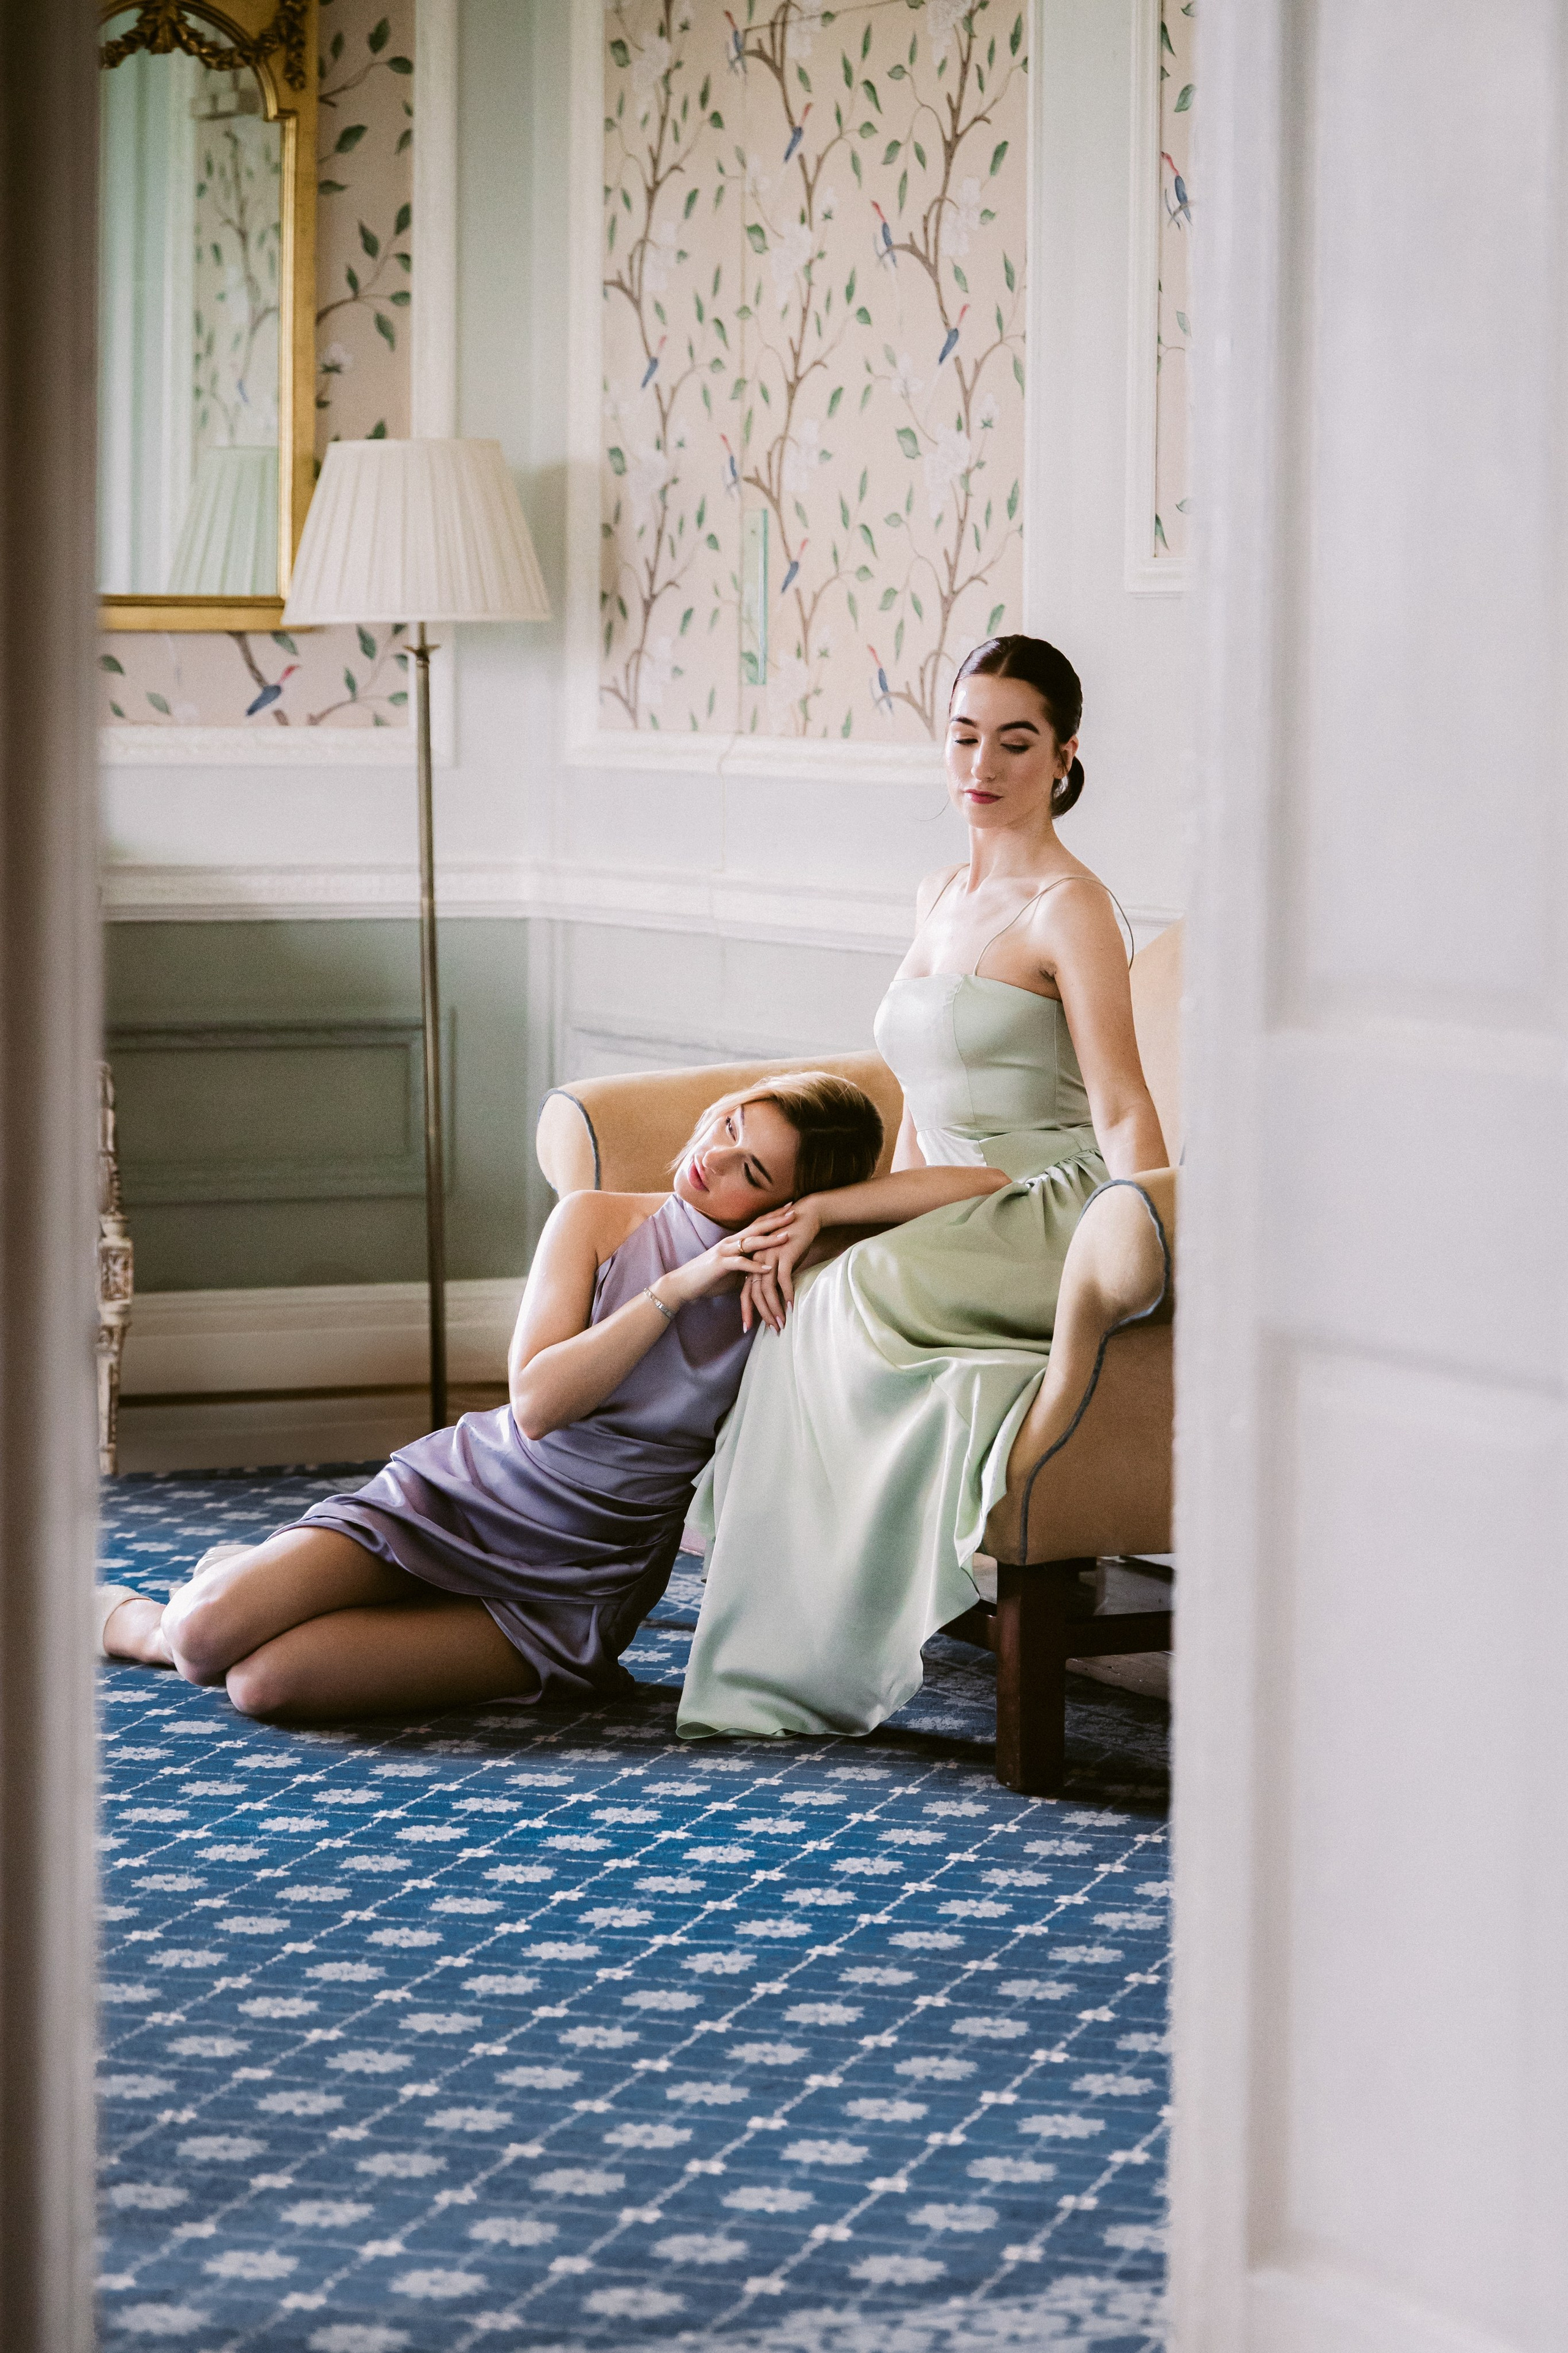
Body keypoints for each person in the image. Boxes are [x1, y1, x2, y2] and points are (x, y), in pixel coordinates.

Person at [95, 1071, 1005, 1722]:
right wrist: (676, 1288)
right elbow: (536, 1406)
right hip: (461, 1495)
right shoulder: (597, 1218)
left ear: (785, 1205)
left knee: (265, 1686)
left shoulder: (797, 1271)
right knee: (202, 1637)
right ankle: (139, 1617)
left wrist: (825, 1215)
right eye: (729, 1125)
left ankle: (285, 1589)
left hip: (573, 1581)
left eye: (754, 1172)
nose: (714, 1157)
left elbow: (990, 1188)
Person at [677, 634, 1169, 1741]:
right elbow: (918, 1112)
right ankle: (786, 1624)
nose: (982, 765)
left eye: (1016, 742)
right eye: (964, 735)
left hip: (1053, 1204)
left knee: (857, 1286)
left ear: (1065, 755)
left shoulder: (1072, 907)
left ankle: (822, 1644)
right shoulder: (938, 892)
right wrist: (851, 1220)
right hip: (958, 1196)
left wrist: (1154, 1231)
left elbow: (1123, 1104)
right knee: (807, 1281)